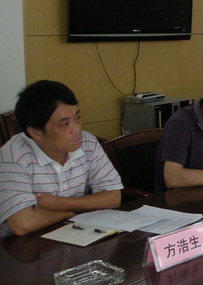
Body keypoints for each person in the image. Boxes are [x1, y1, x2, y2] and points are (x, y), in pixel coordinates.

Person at [0, 80, 122, 237]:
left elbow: (113, 197)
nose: (76, 129)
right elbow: (23, 224)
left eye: (77, 117)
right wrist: (67, 213)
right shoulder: (13, 156)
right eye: (65, 124)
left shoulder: (87, 142)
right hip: (20, 246)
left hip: (74, 236)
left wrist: (57, 203)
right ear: (36, 132)